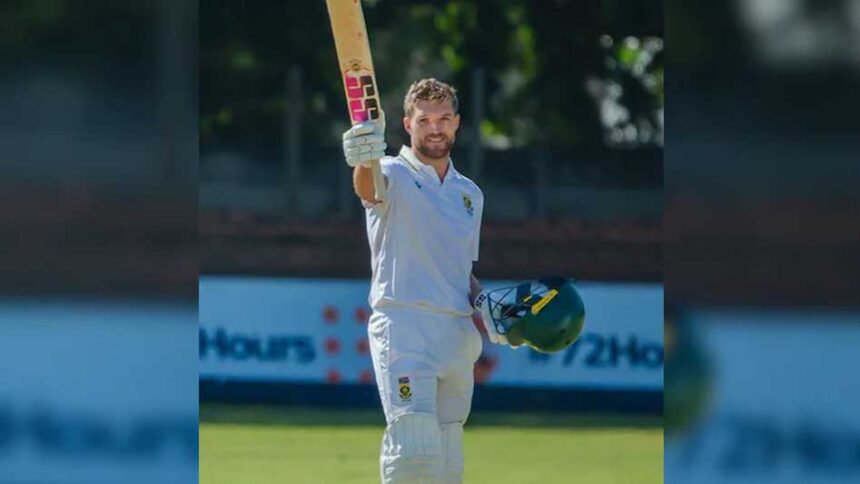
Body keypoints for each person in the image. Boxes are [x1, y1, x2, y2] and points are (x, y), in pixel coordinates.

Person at [341, 78, 486, 483]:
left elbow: (461, 269)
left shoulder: (469, 194)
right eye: (424, 120)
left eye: (443, 119)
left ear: (456, 122)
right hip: (404, 327)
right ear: (408, 124)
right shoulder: (391, 172)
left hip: (456, 332)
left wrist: (485, 303)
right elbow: (369, 189)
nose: (435, 128)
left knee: (448, 459)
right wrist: (364, 158)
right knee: (414, 452)